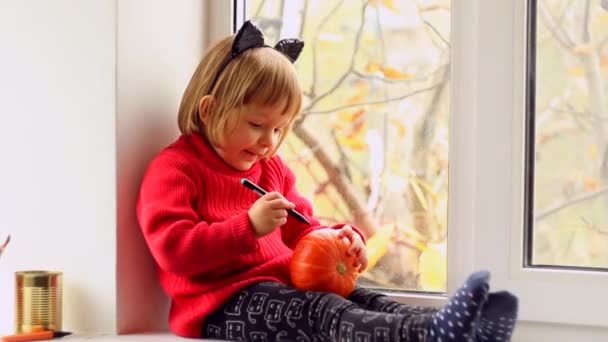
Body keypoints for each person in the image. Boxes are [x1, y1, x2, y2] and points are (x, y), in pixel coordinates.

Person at [136, 20, 518, 341]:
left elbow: (304, 230)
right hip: (221, 306)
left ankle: (452, 329)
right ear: (210, 109)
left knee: (361, 295)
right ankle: (426, 335)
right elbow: (173, 250)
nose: (269, 142)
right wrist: (247, 227)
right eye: (257, 125)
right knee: (322, 311)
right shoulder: (176, 169)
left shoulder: (272, 169)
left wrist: (340, 239)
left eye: (279, 129)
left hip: (283, 288)